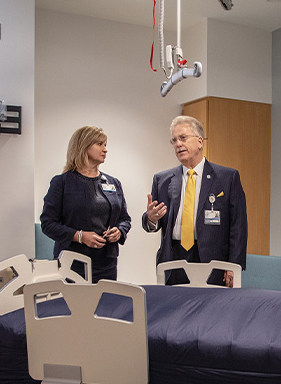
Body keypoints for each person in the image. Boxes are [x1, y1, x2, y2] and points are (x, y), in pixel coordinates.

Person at [142, 115, 247, 286]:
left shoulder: (227, 178)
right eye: (174, 140)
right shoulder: (162, 180)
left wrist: (233, 265)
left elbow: (239, 226)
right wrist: (151, 219)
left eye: (183, 138)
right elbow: (150, 223)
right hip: (173, 259)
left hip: (212, 261)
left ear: (200, 141)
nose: (178, 144)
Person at [40, 126, 131, 283]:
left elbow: (124, 219)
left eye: (105, 145)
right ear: (84, 146)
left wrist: (120, 231)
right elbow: (48, 223)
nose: (105, 150)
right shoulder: (62, 183)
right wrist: (79, 236)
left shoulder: (113, 182)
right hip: (73, 262)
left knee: (106, 305)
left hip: (106, 263)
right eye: (100, 144)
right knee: (75, 306)